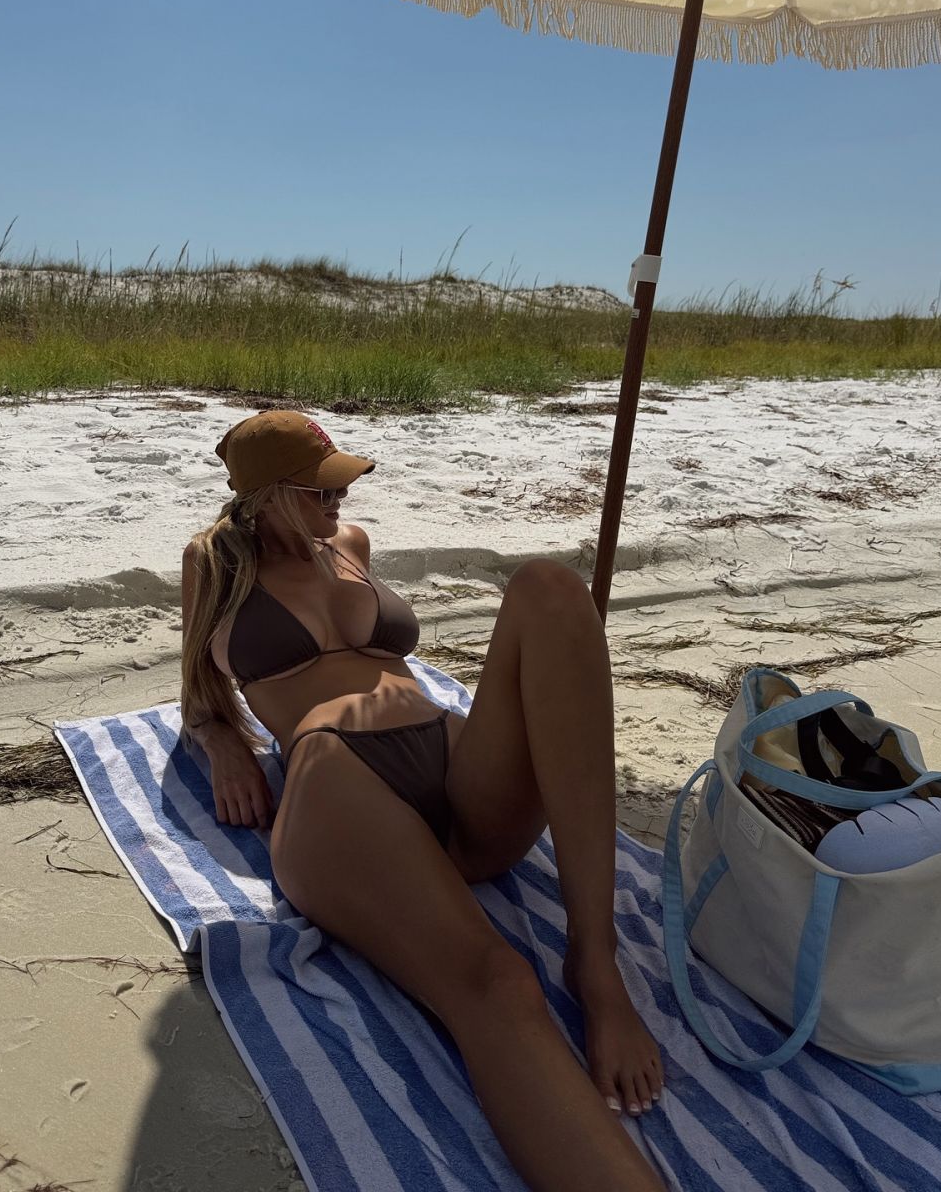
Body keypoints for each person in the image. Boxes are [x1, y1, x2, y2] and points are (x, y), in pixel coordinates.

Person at [180, 410, 665, 1192]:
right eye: (319, 490)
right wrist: (225, 744)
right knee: (496, 983)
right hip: (335, 776)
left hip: (452, 760)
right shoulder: (213, 562)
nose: (339, 500)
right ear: (266, 496)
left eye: (340, 485)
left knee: (549, 585)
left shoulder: (351, 543)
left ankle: (595, 963)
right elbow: (199, 694)